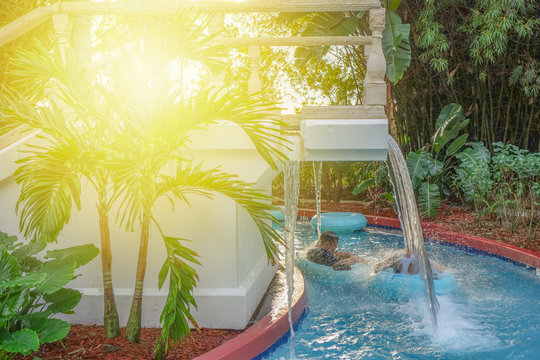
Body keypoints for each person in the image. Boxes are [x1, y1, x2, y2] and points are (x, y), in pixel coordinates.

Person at [372, 250, 447, 275]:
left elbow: (442, 268)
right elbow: (378, 267)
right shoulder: (398, 256)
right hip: (398, 274)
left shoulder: (419, 258)